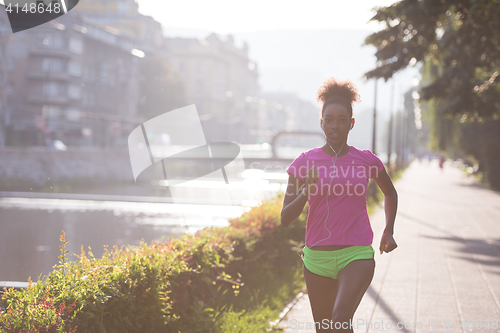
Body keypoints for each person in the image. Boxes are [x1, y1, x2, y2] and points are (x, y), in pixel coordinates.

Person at [281, 78, 398, 332]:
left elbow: (390, 193)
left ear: (351, 123)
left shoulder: (366, 160)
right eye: (329, 119)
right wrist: (305, 193)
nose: (335, 126)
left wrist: (388, 229)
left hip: (356, 254)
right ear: (321, 122)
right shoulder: (303, 163)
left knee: (340, 318)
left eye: (342, 120)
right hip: (316, 259)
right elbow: (285, 218)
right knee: (325, 329)